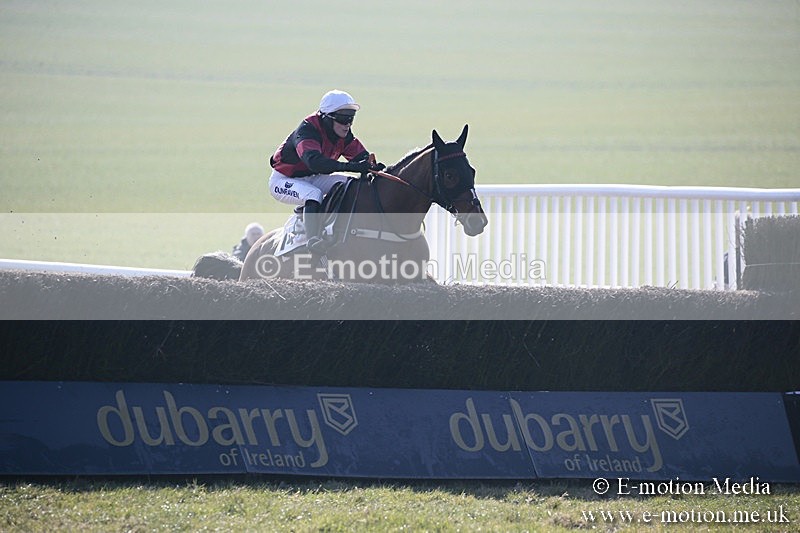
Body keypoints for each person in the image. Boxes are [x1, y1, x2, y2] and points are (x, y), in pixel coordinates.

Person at [268, 89, 384, 253]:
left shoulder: (343, 133)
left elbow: (360, 157)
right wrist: (352, 167)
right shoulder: (307, 130)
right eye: (343, 119)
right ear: (327, 118)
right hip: (284, 180)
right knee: (312, 194)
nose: (348, 124)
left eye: (351, 118)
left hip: (315, 177)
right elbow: (315, 162)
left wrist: (374, 166)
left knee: (351, 184)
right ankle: (313, 240)